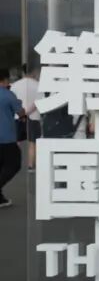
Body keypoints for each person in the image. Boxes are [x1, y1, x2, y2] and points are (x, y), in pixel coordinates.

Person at [0, 69, 24, 208]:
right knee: (14, 164)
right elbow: (20, 112)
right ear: (4, 80)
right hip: (6, 138)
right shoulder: (8, 95)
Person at [11, 63, 40, 171]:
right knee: (32, 142)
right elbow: (38, 102)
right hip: (34, 117)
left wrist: (22, 113)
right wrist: (27, 112)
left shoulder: (15, 85)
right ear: (33, 71)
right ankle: (30, 166)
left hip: (18, 116)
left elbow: (12, 101)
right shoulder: (38, 85)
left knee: (16, 142)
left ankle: (14, 163)